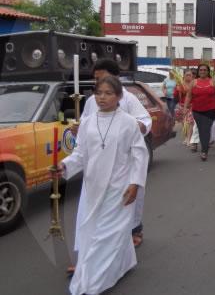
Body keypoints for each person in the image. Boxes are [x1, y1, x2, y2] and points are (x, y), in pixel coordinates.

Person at [58, 75, 149, 295]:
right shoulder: (88, 122)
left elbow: (139, 154)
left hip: (119, 187)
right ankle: (124, 262)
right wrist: (64, 165)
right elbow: (80, 154)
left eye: (108, 93)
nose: (102, 98)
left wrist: (135, 183)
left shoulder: (128, 122)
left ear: (119, 96)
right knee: (98, 232)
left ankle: (93, 282)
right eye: (98, 93)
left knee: (106, 235)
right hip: (93, 187)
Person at [74, 59, 152, 255]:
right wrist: (79, 129)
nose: (102, 93)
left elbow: (144, 120)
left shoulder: (127, 98)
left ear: (115, 77)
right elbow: (86, 124)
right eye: (96, 81)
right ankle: (91, 254)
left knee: (126, 202)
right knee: (97, 210)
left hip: (123, 161)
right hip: (99, 163)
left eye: (103, 79)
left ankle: (134, 230)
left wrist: (137, 127)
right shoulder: (92, 101)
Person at [184, 64, 215, 161]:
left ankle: (204, 151)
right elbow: (189, 96)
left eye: (205, 70)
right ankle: (204, 148)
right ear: (198, 72)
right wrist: (185, 107)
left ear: (208, 72)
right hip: (197, 111)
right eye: (201, 70)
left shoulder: (213, 82)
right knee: (201, 129)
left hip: (210, 110)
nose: (203, 71)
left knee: (206, 129)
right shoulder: (193, 82)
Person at [174, 69, 195, 147]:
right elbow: (175, 96)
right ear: (184, 76)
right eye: (187, 75)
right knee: (184, 123)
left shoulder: (194, 84)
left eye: (190, 75)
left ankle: (189, 139)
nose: (189, 77)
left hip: (191, 106)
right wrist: (177, 90)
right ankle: (186, 138)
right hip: (182, 106)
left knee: (190, 123)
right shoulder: (180, 85)